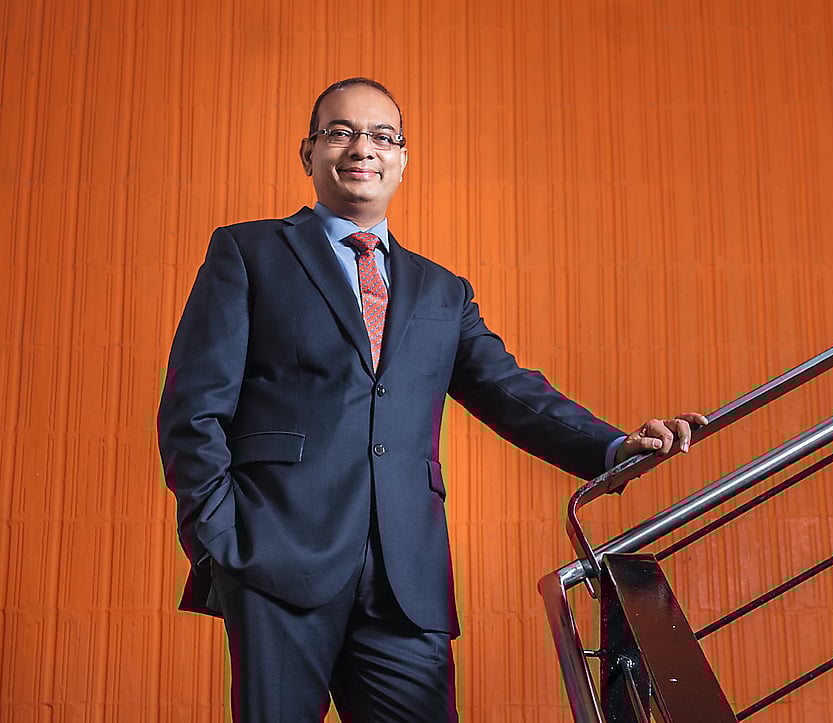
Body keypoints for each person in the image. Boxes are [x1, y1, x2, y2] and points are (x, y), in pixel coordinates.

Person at [158, 77, 706, 721]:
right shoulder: (249, 252)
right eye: (341, 132)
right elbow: (192, 410)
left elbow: (508, 389)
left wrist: (613, 447)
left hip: (406, 577)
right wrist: (221, 538)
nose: (362, 148)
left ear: (402, 160)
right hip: (275, 558)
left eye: (382, 136)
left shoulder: (442, 290)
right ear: (308, 152)